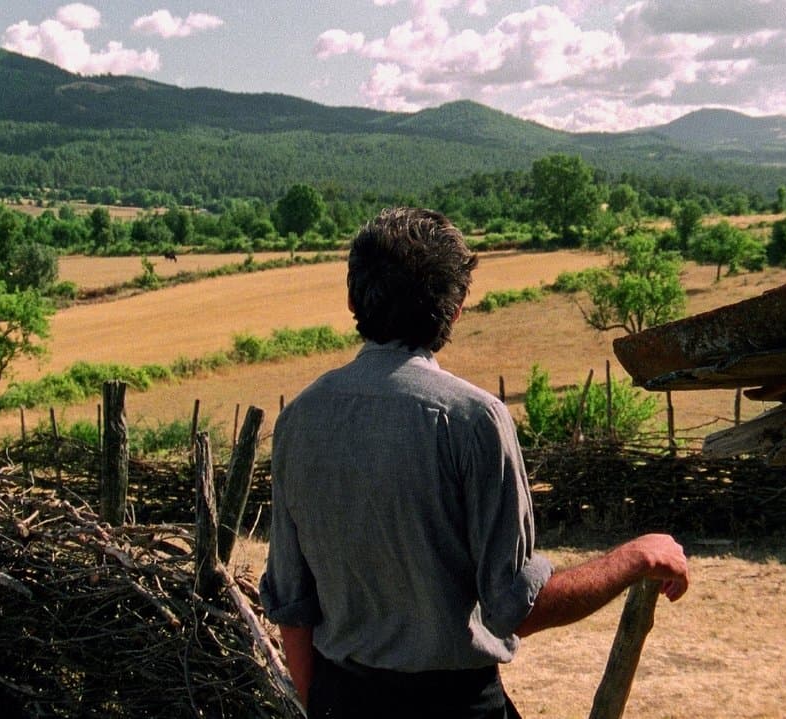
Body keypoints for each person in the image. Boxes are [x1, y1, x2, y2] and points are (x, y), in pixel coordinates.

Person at [259, 207, 688, 718]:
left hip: (341, 698)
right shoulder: (473, 421)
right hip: (455, 706)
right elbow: (517, 608)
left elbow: (292, 602)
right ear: (456, 308)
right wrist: (636, 556)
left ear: (353, 298)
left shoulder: (299, 421)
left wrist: (320, 706)